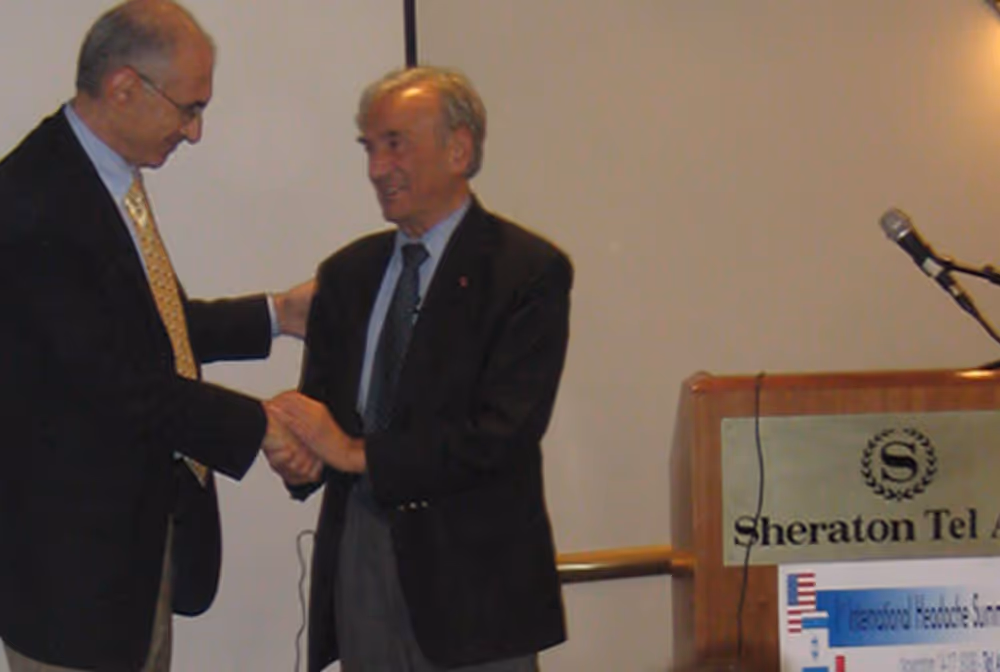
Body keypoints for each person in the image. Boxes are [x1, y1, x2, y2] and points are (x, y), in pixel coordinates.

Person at [0, 1, 320, 671]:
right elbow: (111, 379)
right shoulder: (33, 200)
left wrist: (276, 315)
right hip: (74, 586)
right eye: (188, 108)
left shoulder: (99, 180)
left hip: (132, 559)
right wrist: (261, 424)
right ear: (123, 88)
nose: (196, 132)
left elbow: (150, 330)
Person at [270, 66, 573, 672]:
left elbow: (504, 434)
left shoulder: (526, 272)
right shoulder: (347, 274)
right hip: (361, 553)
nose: (377, 168)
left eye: (395, 143)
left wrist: (356, 453)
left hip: (477, 580)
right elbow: (327, 414)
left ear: (458, 149)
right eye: (370, 147)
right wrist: (298, 452)